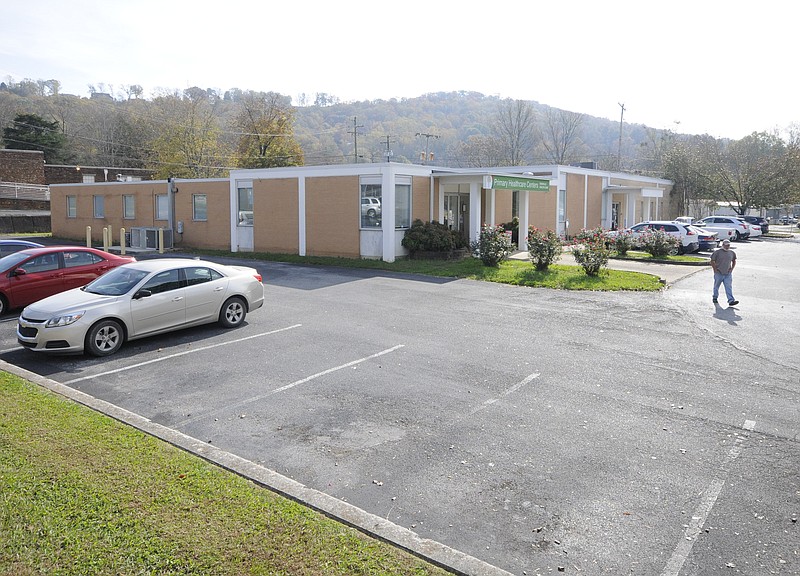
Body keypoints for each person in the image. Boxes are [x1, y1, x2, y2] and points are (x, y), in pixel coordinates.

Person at [710, 239, 738, 306]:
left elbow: (734, 261)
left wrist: (731, 269)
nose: (727, 247)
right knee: (716, 286)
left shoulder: (731, 253)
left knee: (728, 287)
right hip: (719, 272)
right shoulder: (717, 252)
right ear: (723, 245)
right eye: (726, 245)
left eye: (728, 245)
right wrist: (715, 269)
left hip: (727, 274)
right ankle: (715, 297)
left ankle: (731, 300)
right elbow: (712, 261)